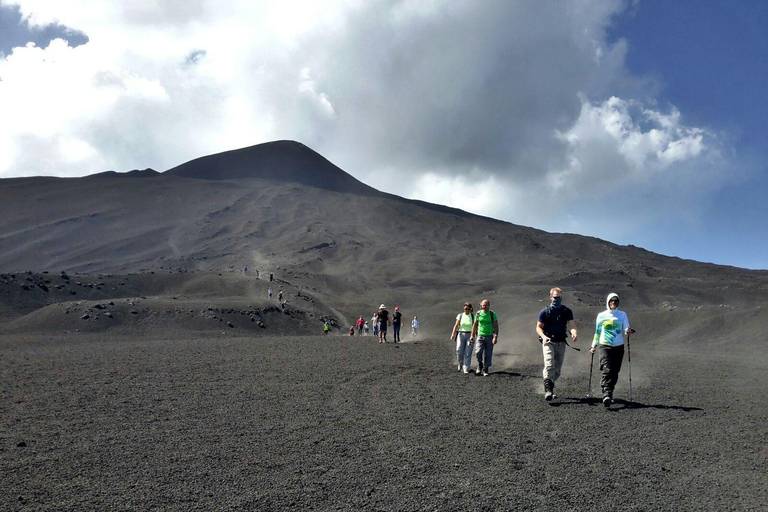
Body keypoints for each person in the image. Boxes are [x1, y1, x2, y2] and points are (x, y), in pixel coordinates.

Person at [536, 287, 578, 401]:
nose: (557, 300)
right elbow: (538, 327)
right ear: (551, 297)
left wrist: (574, 333)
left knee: (557, 370)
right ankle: (548, 391)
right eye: (555, 297)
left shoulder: (566, 311)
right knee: (549, 364)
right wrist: (544, 337)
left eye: (559, 297)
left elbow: (572, 325)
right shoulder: (545, 311)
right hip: (549, 341)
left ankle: (550, 387)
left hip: (561, 342)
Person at [590, 293, 631, 407]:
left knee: (615, 371)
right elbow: (597, 332)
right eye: (611, 301)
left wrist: (627, 330)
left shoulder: (622, 315)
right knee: (607, 368)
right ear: (608, 302)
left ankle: (610, 391)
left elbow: (626, 327)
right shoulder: (601, 315)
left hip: (618, 346)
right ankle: (606, 393)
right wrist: (593, 346)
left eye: (616, 301)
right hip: (605, 346)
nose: (613, 303)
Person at [471, 299, 498, 376]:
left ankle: (486, 369)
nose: (484, 307)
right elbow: (475, 325)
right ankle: (480, 364)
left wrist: (495, 336)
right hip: (480, 336)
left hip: (489, 336)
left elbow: (496, 326)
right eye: (483, 305)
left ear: (489, 306)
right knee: (478, 352)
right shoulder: (478, 314)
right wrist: (472, 335)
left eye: (486, 305)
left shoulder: (492, 314)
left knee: (488, 354)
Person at [450, 302, 475, 374]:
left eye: (467, 309)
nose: (466, 310)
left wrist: (474, 335)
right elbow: (456, 325)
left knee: (468, 352)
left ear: (470, 309)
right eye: (465, 309)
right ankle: (460, 363)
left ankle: (466, 368)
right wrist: (453, 334)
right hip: (461, 334)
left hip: (470, 334)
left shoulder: (473, 317)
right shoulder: (460, 316)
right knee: (459, 350)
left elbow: (475, 326)